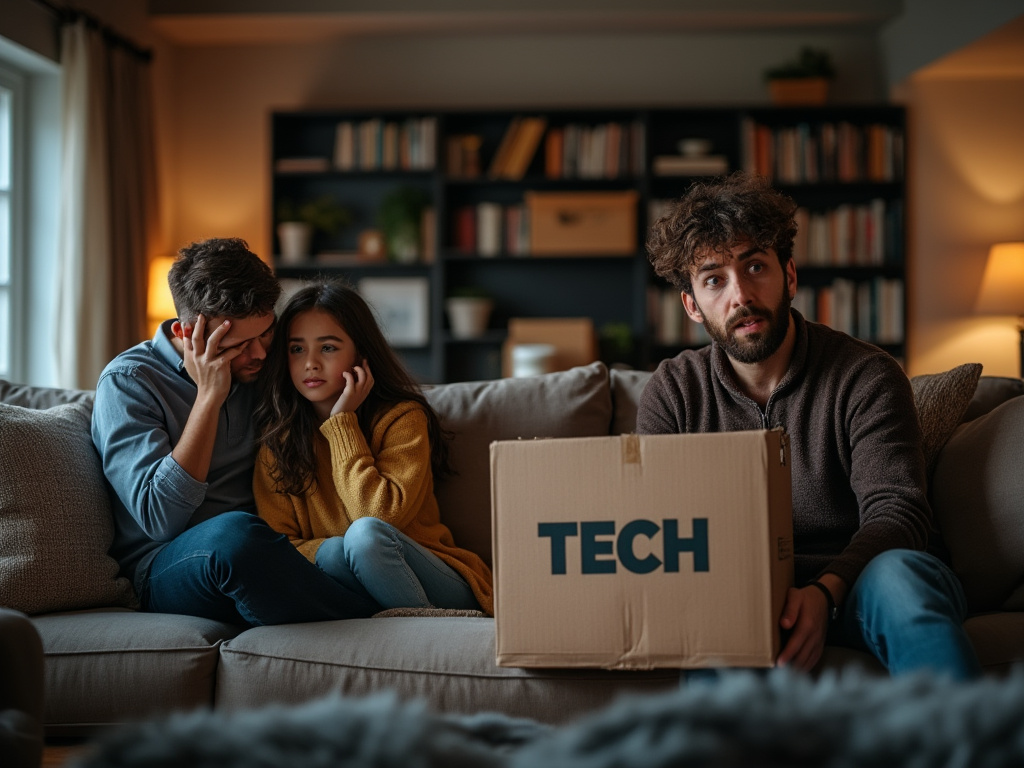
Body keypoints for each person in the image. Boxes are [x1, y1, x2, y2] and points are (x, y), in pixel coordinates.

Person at [638, 172, 979, 679]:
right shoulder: (673, 392)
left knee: (901, 578)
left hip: (868, 579)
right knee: (713, 622)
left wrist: (825, 593)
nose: (741, 295)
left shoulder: (866, 375)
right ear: (691, 305)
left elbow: (898, 511)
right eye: (714, 279)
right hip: (744, 594)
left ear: (790, 277)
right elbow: (658, 530)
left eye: (755, 266)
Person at [91, 238, 380, 626]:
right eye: (239, 345)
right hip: (169, 566)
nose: (259, 354)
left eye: (265, 334)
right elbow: (160, 519)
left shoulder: (261, 366)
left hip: (269, 554)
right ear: (186, 332)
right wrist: (209, 397)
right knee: (234, 537)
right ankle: (378, 618)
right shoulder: (130, 382)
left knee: (325, 550)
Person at [252, 280, 493, 615]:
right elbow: (279, 546)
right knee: (337, 552)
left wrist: (342, 424)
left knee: (364, 537)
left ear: (361, 356)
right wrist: (331, 551)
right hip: (353, 583)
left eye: (328, 348)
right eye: (297, 349)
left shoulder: (402, 419)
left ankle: (425, 637)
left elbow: (379, 518)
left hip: (436, 576)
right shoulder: (279, 440)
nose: (310, 363)